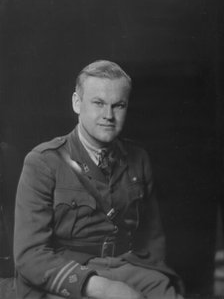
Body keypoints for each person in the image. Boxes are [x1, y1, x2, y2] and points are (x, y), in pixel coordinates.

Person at [14, 60, 184, 299]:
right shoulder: (43, 162)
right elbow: (30, 255)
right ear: (77, 103)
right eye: (98, 103)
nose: (108, 115)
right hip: (62, 273)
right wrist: (103, 287)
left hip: (122, 265)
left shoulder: (138, 158)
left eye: (119, 105)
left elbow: (152, 238)